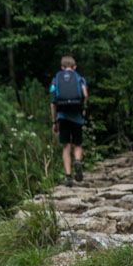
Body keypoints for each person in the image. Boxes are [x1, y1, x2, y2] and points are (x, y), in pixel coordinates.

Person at [50, 56, 88, 187]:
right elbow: (85, 94)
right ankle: (77, 160)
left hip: (62, 116)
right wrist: (84, 108)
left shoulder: (55, 80)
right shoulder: (80, 78)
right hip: (77, 116)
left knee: (66, 146)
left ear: (62, 67)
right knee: (77, 144)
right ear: (74, 67)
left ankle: (68, 176)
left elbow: (53, 102)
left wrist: (54, 121)